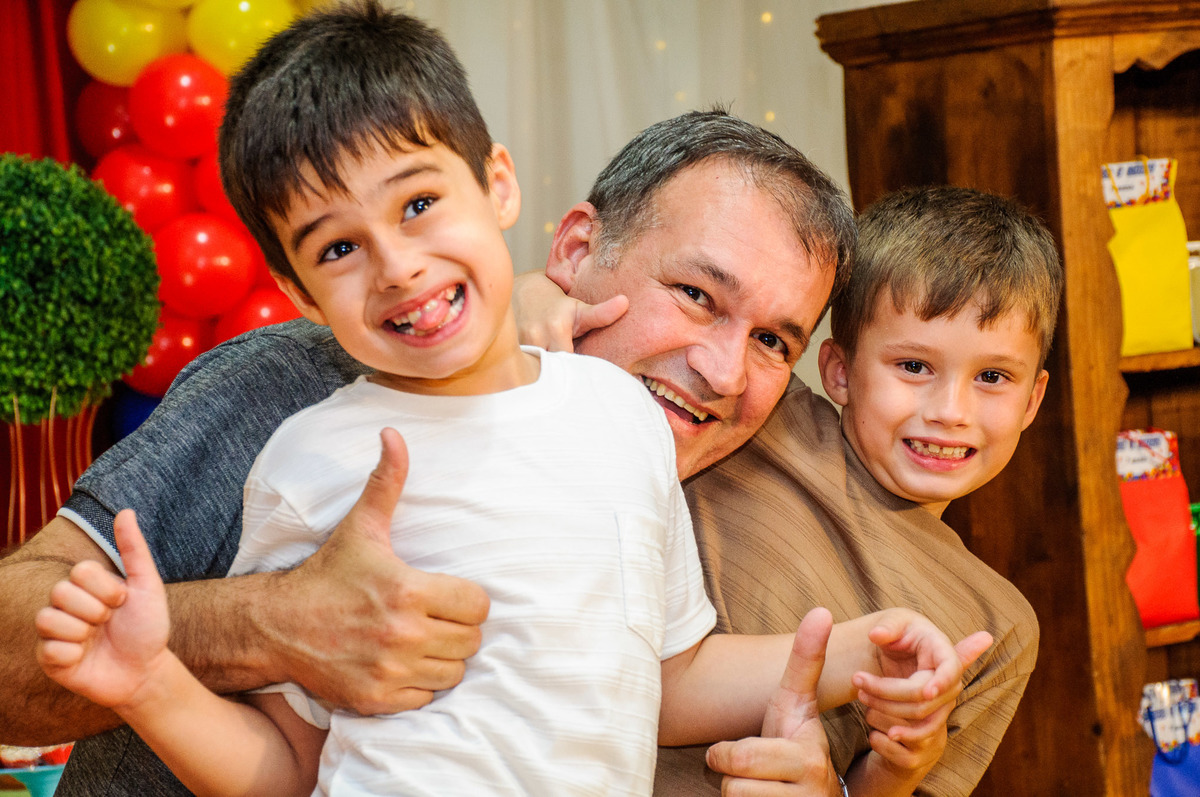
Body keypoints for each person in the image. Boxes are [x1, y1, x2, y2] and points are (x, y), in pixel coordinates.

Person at [24, 6, 974, 797]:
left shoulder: (621, 425)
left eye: (774, 341)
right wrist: (171, 669)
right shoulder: (299, 432)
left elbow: (666, 676)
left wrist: (858, 658)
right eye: (695, 294)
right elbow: (289, 768)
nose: (399, 266)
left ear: (499, 187)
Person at [652, 186, 1060, 795]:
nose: (950, 412)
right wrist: (538, 296)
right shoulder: (761, 417)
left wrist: (898, 767)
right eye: (914, 367)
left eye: (993, 376)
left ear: (1032, 400)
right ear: (839, 372)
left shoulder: (998, 628)